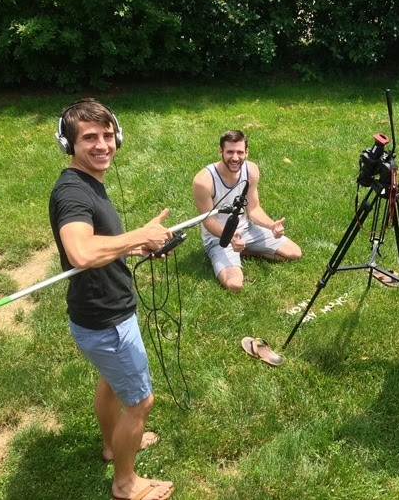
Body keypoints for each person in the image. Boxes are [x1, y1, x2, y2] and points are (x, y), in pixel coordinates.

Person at [49, 98, 174, 500]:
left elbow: (98, 245)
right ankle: (125, 483)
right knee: (140, 402)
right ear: (68, 144)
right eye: (89, 138)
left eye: (107, 135)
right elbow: (81, 252)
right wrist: (139, 235)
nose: (102, 145)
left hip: (96, 314)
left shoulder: (87, 183)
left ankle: (111, 445)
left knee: (110, 381)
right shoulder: (72, 193)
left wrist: (131, 246)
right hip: (107, 321)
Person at [192, 129, 302, 291]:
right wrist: (231, 238)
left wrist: (271, 225)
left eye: (240, 152)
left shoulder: (251, 170)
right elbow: (208, 221)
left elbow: (254, 208)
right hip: (218, 238)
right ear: (220, 151)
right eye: (230, 152)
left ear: (247, 152)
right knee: (234, 284)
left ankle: (245, 250)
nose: (235, 158)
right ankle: (230, 252)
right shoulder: (203, 181)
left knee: (294, 253)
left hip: (246, 230)